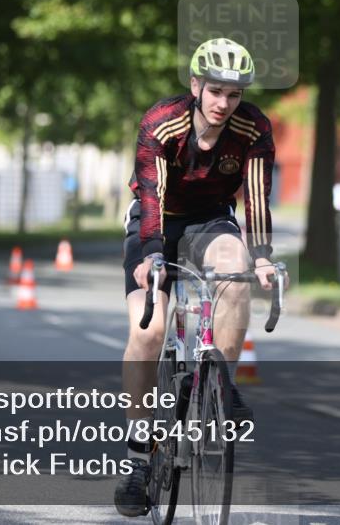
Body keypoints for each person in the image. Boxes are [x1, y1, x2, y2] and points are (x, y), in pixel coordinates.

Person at [114, 38, 286, 517]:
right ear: (195, 86)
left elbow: (255, 195)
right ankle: (137, 462)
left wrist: (263, 256)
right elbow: (151, 194)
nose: (223, 104)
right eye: (214, 92)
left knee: (236, 267)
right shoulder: (162, 122)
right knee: (147, 330)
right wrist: (151, 256)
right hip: (157, 221)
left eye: (233, 95)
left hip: (212, 219)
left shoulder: (253, 129)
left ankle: (216, 383)